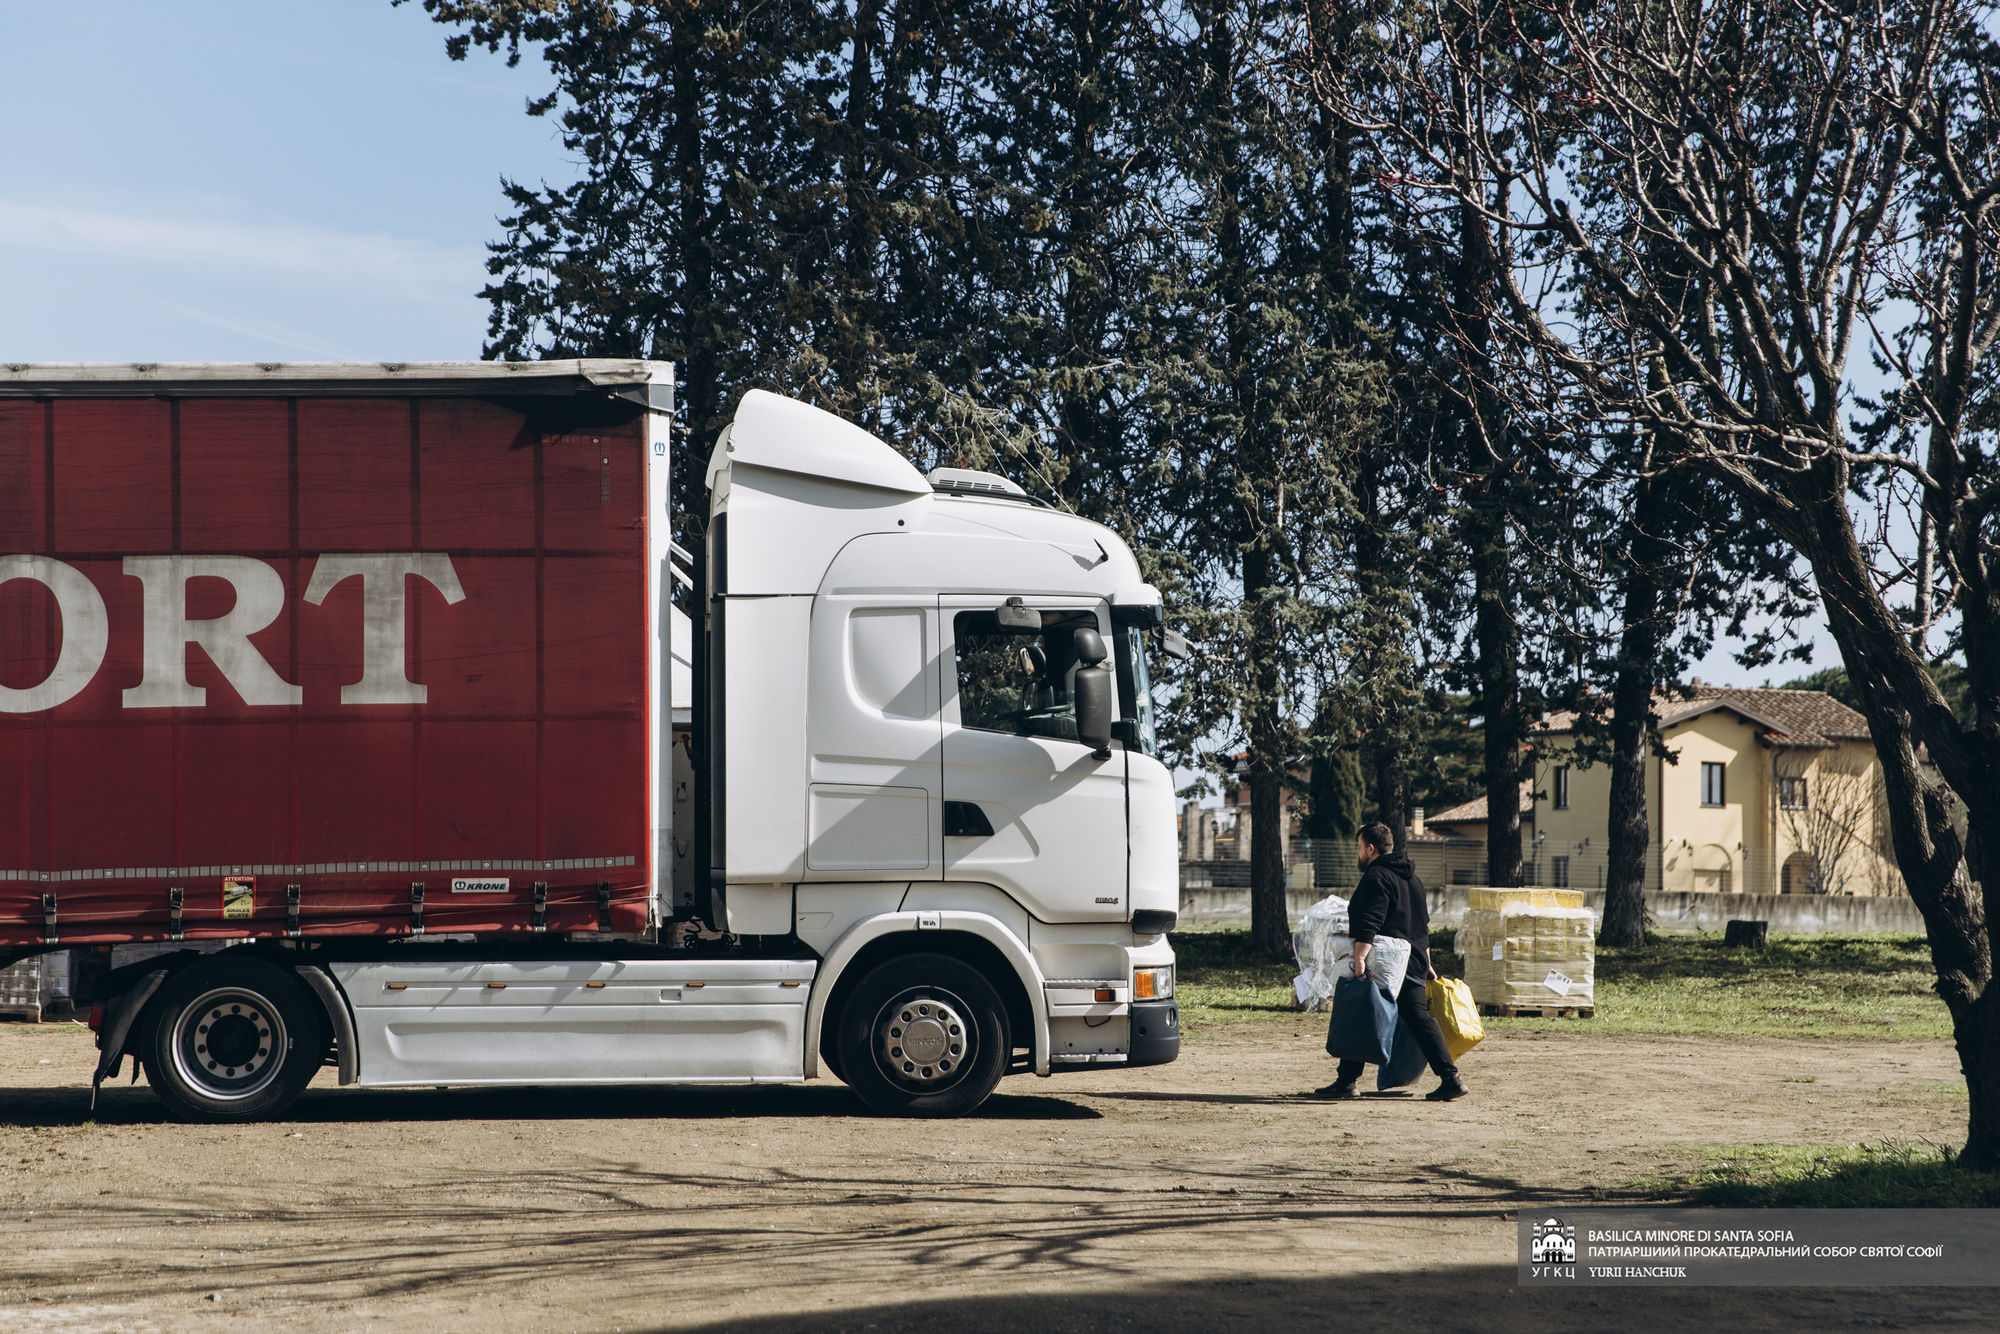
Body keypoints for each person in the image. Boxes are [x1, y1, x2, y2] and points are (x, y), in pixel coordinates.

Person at [1311, 820, 1468, 1102]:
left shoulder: (1376, 877)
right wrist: (1426, 962)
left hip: (1385, 962)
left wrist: (1359, 957)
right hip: (1414, 960)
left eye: (1359, 848)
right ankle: (1450, 1078)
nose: (1359, 853)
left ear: (1371, 849)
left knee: (1362, 1012)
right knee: (1418, 1019)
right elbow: (1421, 925)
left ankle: (1347, 1082)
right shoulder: (1413, 880)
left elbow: (1370, 921)